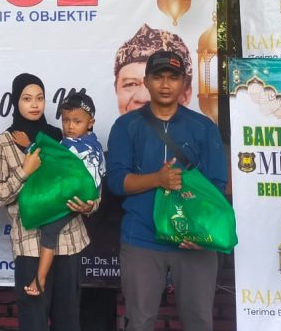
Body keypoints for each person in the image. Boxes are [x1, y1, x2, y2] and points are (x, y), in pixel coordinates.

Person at [105, 50, 226, 331]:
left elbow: (217, 186)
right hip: (142, 237)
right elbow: (116, 182)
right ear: (147, 81)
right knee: (139, 322)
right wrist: (158, 179)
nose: (165, 84)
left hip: (194, 242)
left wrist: (203, 234)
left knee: (199, 322)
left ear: (184, 83)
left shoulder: (203, 127)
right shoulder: (126, 126)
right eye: (158, 77)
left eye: (173, 77)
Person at [0, 73, 96, 331]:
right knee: (34, 321)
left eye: (39, 98)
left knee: (68, 321)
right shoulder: (3, 143)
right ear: (16, 102)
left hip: (69, 242)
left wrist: (91, 205)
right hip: (30, 245)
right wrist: (24, 171)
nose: (34, 104)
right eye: (27, 99)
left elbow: (88, 180)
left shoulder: (63, 138)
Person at [25, 92, 104, 297]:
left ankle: (40, 278)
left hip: (76, 197)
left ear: (91, 123)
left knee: (49, 228)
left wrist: (29, 146)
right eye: (66, 120)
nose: (70, 126)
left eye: (77, 121)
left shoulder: (73, 146)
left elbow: (48, 156)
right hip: (81, 196)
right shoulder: (93, 144)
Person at [113, 24, 192, 115]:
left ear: (186, 94)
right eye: (131, 84)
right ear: (116, 90)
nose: (143, 98)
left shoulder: (201, 124)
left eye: (172, 79)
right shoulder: (121, 124)